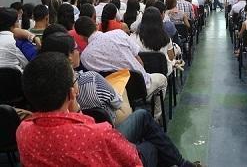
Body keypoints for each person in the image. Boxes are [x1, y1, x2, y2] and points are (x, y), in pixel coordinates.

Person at [17, 52, 201, 167]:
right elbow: (133, 161)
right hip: (105, 146)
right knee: (152, 147)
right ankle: (182, 164)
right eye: (75, 81)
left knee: (142, 116)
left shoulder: (23, 131)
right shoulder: (99, 133)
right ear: (71, 93)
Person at [75, 16, 168, 119]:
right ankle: (155, 118)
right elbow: (139, 61)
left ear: (81, 36)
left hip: (115, 96)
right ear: (96, 26)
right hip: (140, 87)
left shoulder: (85, 57)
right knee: (162, 79)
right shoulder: (118, 33)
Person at [132, 7, 175, 76]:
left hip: (143, 72)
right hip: (163, 72)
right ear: (160, 20)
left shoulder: (134, 38)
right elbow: (171, 57)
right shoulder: (166, 38)